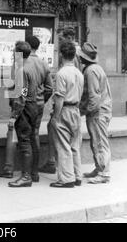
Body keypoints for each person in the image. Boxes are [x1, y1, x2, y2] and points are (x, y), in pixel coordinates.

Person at [0, 36, 53, 182]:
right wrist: (41, 101)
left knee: (24, 140)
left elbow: (20, 92)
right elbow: (49, 88)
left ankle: (21, 174)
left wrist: (14, 113)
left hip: (24, 107)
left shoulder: (21, 67)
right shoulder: (42, 64)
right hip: (36, 105)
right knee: (35, 136)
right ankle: (34, 173)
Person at [6, 41, 42, 187]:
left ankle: (26, 177)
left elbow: (21, 95)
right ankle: (31, 174)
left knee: (25, 142)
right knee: (31, 139)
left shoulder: (21, 70)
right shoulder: (31, 67)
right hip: (33, 106)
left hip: (25, 108)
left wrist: (14, 116)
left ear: (18, 54)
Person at [50, 41, 84, 188]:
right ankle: (77, 176)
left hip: (64, 110)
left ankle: (66, 179)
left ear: (61, 55)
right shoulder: (79, 73)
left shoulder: (61, 73)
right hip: (76, 110)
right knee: (75, 145)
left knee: (63, 145)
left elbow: (59, 98)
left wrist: (55, 117)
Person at [78, 42, 113, 184]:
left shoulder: (90, 71)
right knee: (97, 141)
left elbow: (94, 97)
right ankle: (99, 168)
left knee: (99, 143)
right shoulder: (96, 68)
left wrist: (83, 111)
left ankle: (104, 173)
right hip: (101, 111)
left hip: (97, 113)